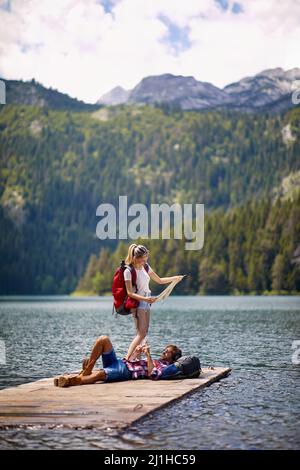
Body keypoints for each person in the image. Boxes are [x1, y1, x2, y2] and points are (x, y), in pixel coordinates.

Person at [123, 243, 184, 360]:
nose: (144, 261)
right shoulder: (128, 271)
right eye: (142, 259)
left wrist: (174, 278)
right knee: (142, 333)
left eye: (146, 258)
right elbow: (129, 293)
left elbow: (159, 280)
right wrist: (145, 299)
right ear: (135, 258)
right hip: (138, 302)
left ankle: (136, 360)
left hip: (147, 301)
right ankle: (127, 359)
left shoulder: (146, 267)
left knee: (142, 333)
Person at [54, 334, 182, 387]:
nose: (163, 352)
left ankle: (71, 381)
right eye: (165, 350)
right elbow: (130, 360)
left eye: (167, 352)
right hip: (121, 363)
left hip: (125, 372)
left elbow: (153, 374)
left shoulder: (165, 367)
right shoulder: (156, 361)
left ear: (173, 358)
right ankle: (86, 371)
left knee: (100, 374)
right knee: (103, 339)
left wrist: (148, 355)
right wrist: (136, 353)